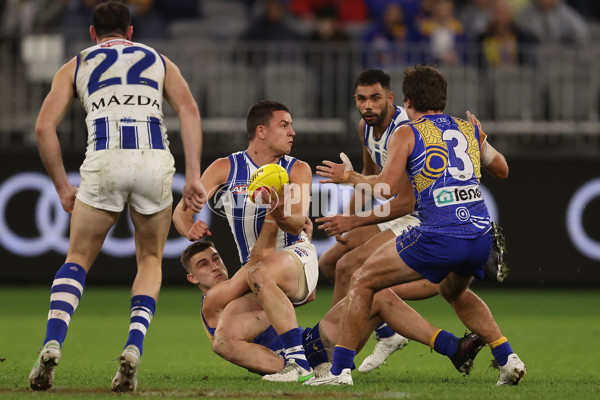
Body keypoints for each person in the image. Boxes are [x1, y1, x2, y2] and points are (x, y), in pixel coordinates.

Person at [28, 1, 206, 392]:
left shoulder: (75, 64)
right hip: (153, 161)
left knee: (77, 258)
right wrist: (193, 175)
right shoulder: (159, 60)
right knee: (150, 258)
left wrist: (61, 186)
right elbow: (190, 109)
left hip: (104, 160)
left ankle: (52, 343)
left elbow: (43, 127)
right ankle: (133, 348)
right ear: (130, 33)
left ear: (93, 34)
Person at [310, 65, 526, 386]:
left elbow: (384, 189)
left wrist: (349, 177)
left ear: (406, 100)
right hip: (481, 235)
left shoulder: (407, 132)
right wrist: (482, 139)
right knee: (456, 293)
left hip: (438, 234)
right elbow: (503, 169)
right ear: (444, 98)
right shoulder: (466, 128)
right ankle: (507, 358)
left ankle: (340, 371)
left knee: (363, 278)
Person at [181, 222, 486, 379]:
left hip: (315, 341)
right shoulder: (214, 300)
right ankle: (448, 276)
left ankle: (453, 348)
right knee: (220, 342)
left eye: (216, 258)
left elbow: (308, 294)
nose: (215, 266)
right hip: (298, 361)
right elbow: (256, 262)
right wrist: (275, 214)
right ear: (193, 279)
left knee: (376, 292)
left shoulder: (247, 288)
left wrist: (302, 246)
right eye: (203, 265)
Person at [172, 100, 318, 382]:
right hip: (255, 272)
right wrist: (189, 227)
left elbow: (299, 221)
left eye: (292, 125)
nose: (292, 132)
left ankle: (297, 362)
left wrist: (278, 214)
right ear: (261, 131)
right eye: (284, 125)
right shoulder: (226, 168)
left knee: (259, 272)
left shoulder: (298, 169)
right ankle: (300, 365)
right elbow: (181, 211)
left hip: (293, 258)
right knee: (224, 340)